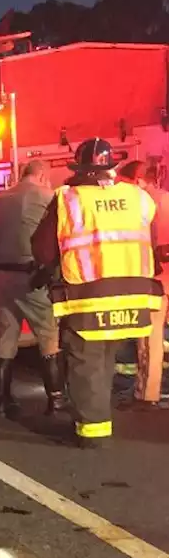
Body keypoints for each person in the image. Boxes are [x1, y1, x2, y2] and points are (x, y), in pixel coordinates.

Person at [30, 138, 161, 448]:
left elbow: (43, 248)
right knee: (105, 359)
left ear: (81, 169)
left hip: (87, 296)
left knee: (85, 363)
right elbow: (149, 238)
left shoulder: (70, 198)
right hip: (132, 293)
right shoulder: (137, 196)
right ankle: (98, 421)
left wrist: (46, 270)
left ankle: (92, 432)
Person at [0, 160, 65, 416]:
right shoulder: (48, 197)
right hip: (30, 278)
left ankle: (3, 401)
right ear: (42, 175)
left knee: (6, 336)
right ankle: (56, 399)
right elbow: (58, 238)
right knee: (49, 335)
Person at [116, 160, 170, 407]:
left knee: (150, 341)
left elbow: (156, 247)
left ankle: (147, 395)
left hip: (156, 282)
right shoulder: (166, 199)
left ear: (138, 180)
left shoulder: (147, 204)